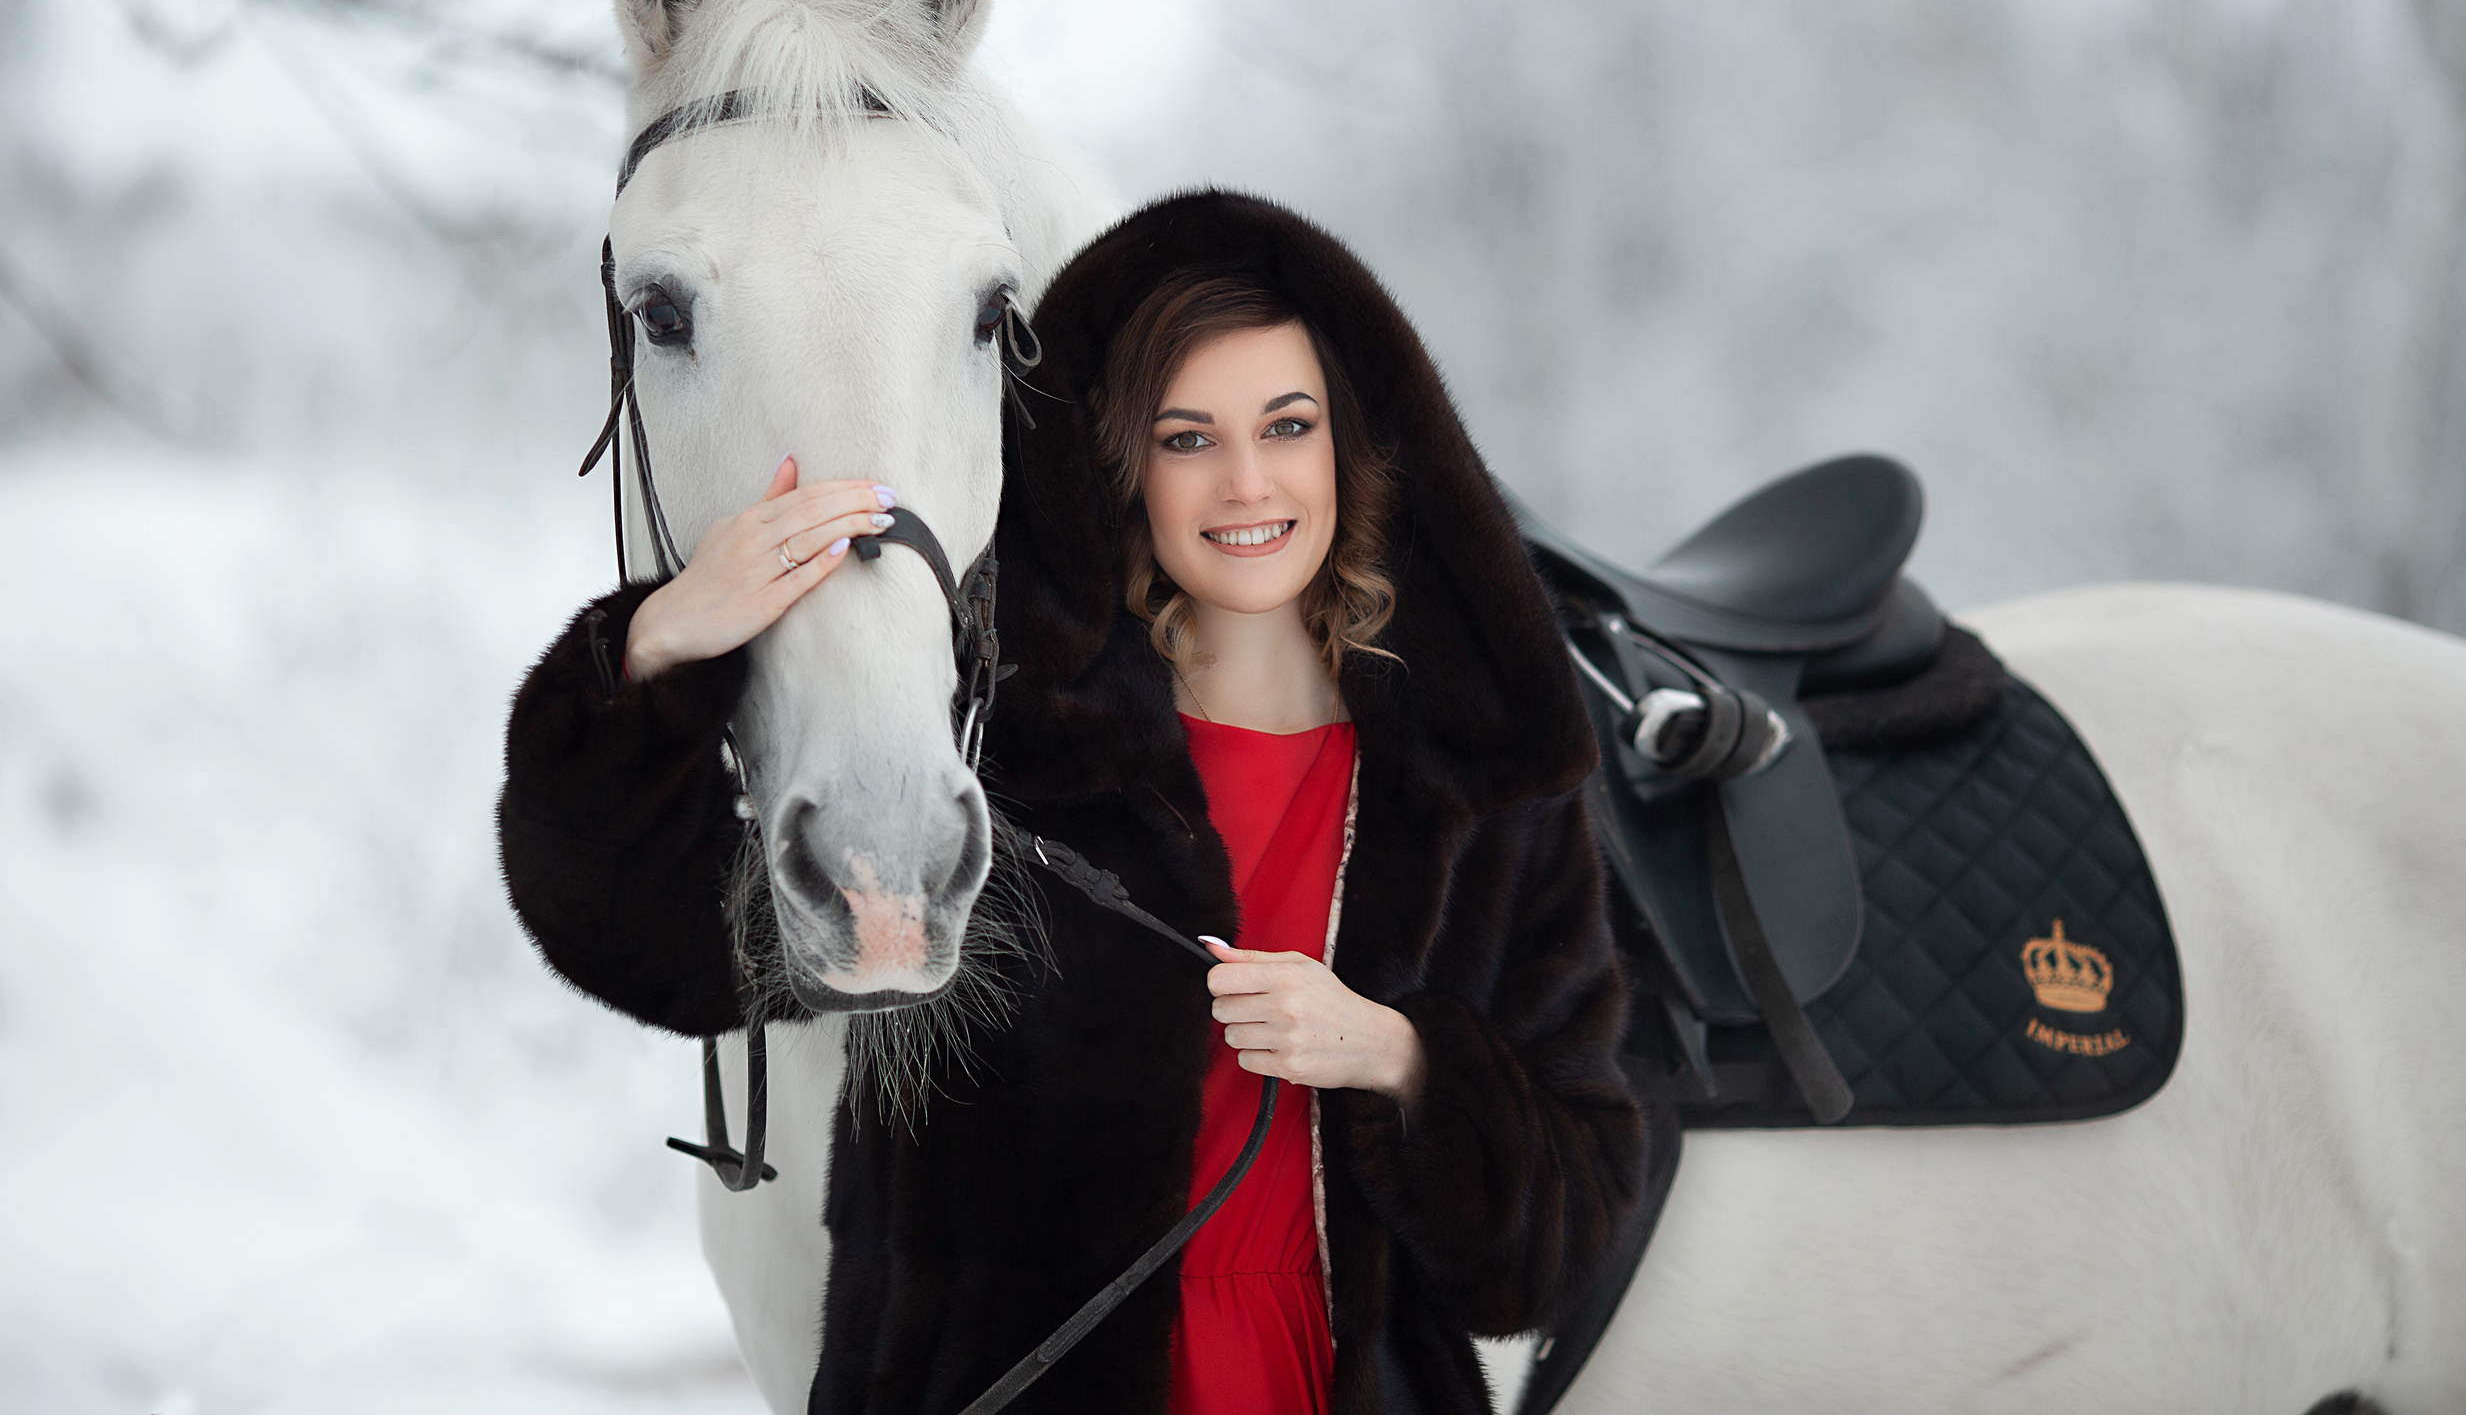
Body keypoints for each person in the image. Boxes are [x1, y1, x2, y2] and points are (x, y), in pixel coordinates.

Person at [498, 189, 1643, 1415]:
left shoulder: (1478, 785)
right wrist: (663, 643)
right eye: (1188, 438)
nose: (1247, 483)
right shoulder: (993, 753)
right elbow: (650, 944)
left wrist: (1398, 1057)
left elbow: (1558, 1247)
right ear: (1121, 460)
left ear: (1354, 441)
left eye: (1288, 426)